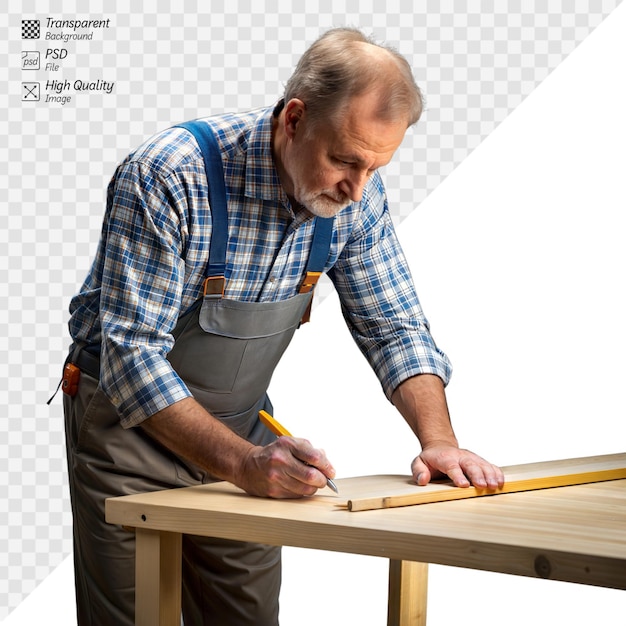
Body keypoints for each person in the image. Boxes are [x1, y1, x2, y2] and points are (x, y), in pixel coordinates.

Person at [61, 27, 504, 626]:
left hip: (241, 426)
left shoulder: (355, 195)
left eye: (376, 166)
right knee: (136, 616)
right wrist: (245, 465)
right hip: (125, 438)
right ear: (294, 120)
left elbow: (394, 326)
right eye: (344, 160)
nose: (357, 188)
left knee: (246, 613)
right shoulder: (171, 175)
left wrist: (439, 440)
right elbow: (132, 355)